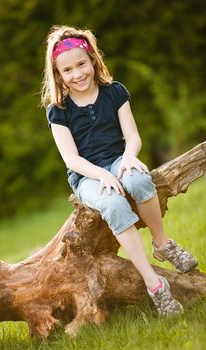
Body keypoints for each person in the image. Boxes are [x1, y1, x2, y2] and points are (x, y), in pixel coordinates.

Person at [41, 25, 198, 316]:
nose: (77, 74)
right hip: (86, 174)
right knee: (113, 203)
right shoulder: (59, 110)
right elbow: (71, 159)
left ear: (93, 61)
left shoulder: (114, 93)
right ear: (58, 75)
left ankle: (162, 243)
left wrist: (127, 158)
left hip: (118, 158)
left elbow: (133, 136)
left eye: (81, 64)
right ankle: (155, 285)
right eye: (67, 70)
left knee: (138, 180)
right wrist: (101, 175)